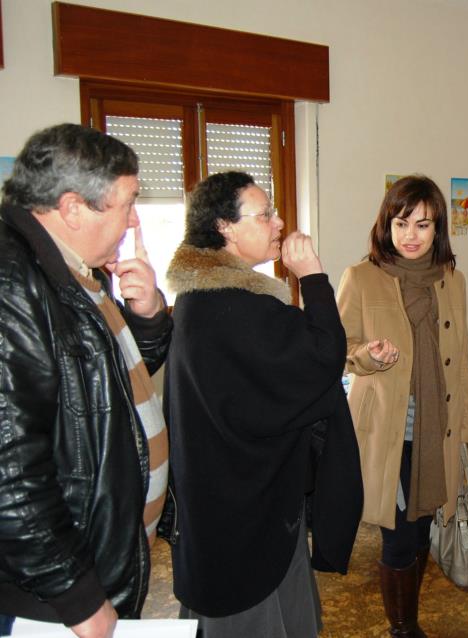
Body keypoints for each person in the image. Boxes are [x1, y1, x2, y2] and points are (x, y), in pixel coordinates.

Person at [163, 171, 362, 638]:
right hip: (246, 511)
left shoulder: (199, 298)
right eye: (265, 214)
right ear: (225, 228)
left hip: (223, 499)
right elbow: (323, 357)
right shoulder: (236, 308)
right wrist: (312, 276)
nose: (279, 223)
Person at [0, 123, 171, 637]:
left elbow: (104, 384)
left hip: (94, 563)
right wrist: (77, 597)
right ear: (73, 208)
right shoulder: (13, 283)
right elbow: (10, 465)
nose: (134, 218)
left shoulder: (74, 269)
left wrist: (147, 316)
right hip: (49, 599)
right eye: (128, 202)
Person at [336, 174, 468, 637]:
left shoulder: (452, 280)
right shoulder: (361, 278)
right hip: (387, 431)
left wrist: (467, 422)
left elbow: (462, 355)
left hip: (438, 428)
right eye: (401, 224)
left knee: (421, 530)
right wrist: (368, 356)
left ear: (438, 228)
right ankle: (403, 627)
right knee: (398, 535)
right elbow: (338, 349)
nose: (410, 236)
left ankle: (407, 614)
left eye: (422, 225)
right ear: (386, 225)